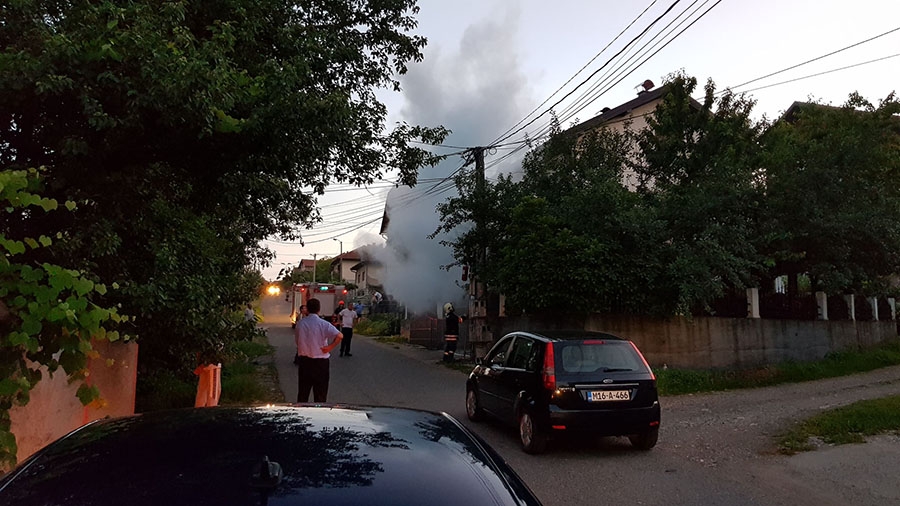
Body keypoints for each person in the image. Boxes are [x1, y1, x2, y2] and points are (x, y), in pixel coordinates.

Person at [294, 298, 342, 402]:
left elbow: (297, 341)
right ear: (319, 309)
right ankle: (319, 414)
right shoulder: (324, 324)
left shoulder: (300, 324)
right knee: (320, 393)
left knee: (303, 393)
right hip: (321, 362)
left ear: (307, 309)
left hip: (305, 361)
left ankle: (302, 414)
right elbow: (339, 335)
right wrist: (330, 347)